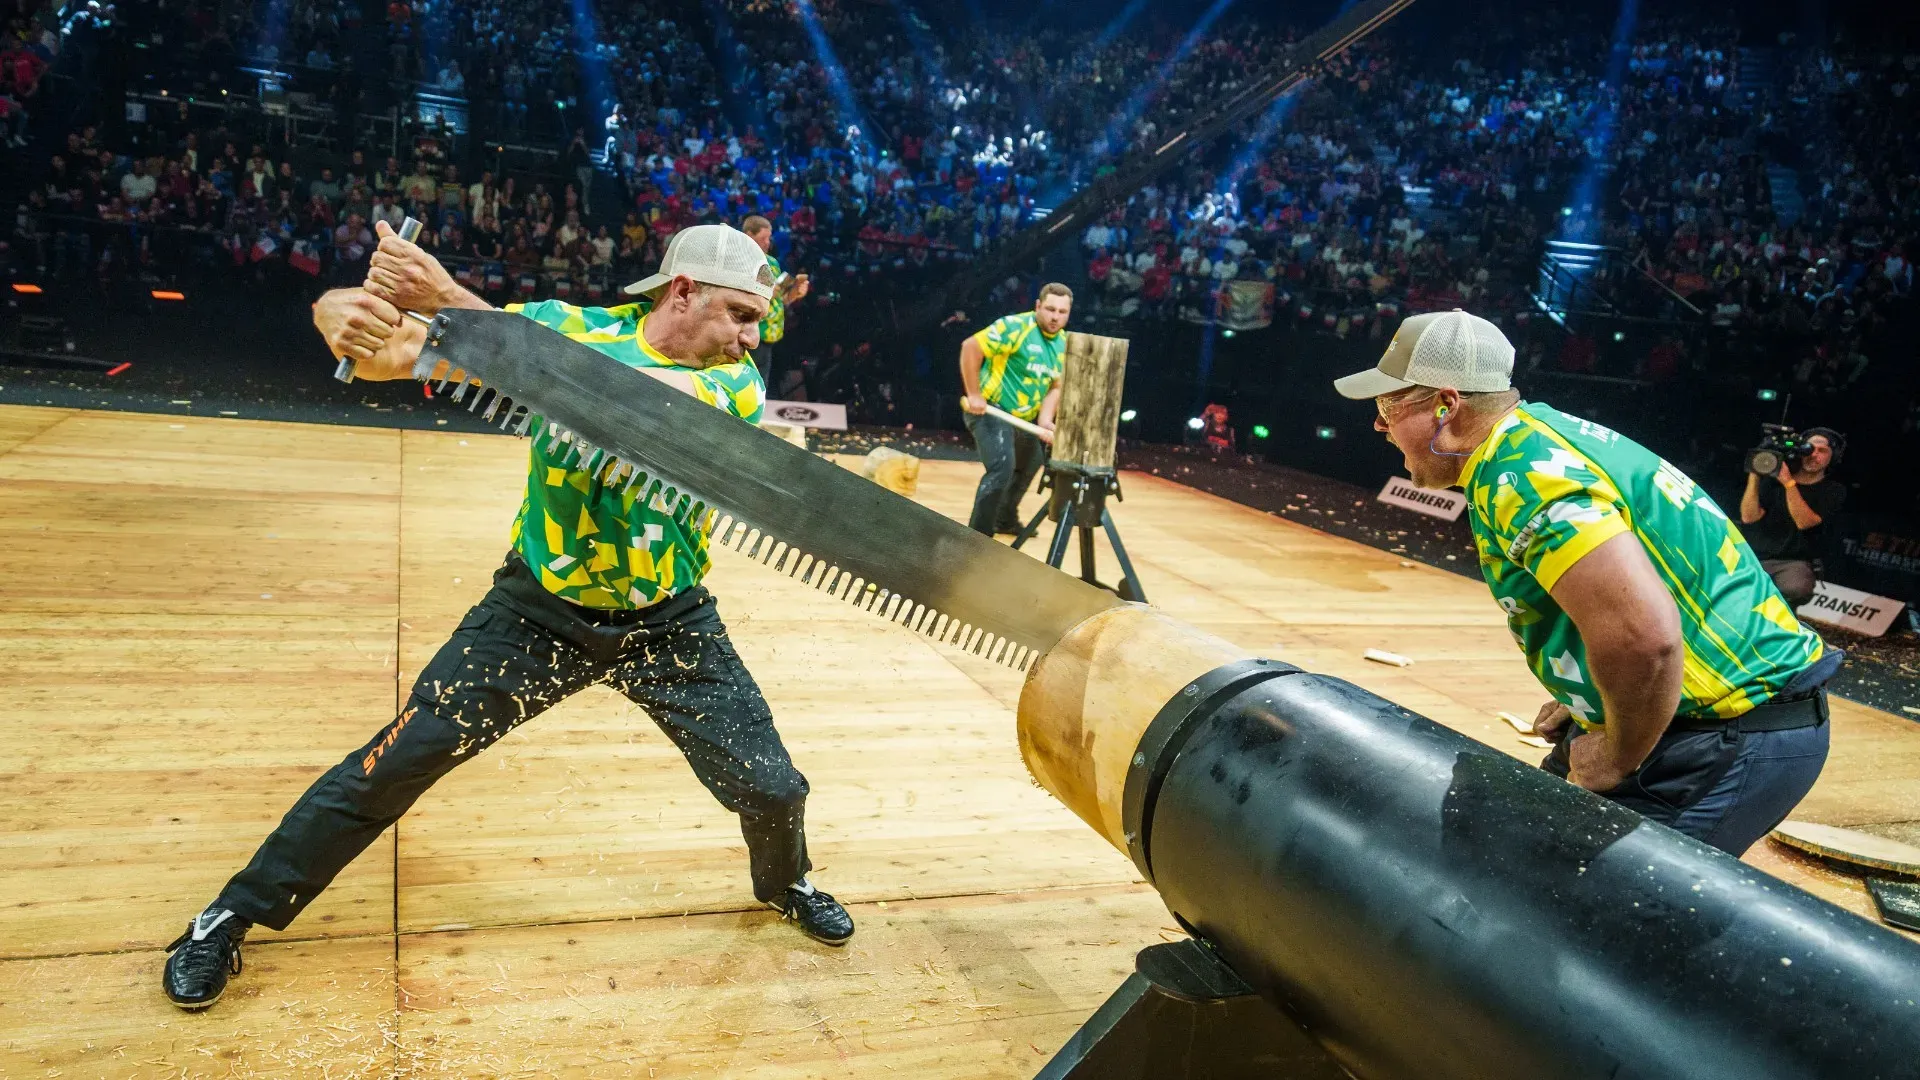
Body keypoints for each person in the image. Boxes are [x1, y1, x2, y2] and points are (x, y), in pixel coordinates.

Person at [162, 223, 852, 1011]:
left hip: (669, 620)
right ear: (683, 290)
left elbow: (610, 402)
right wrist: (340, 314)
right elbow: (396, 350)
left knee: (772, 786)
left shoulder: (734, 385)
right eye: (738, 313)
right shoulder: (561, 327)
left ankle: (786, 882)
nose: (750, 336)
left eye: (755, 319)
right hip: (538, 611)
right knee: (393, 763)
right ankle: (227, 916)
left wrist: (452, 299)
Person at [1334, 309, 1837, 857]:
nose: (1379, 426)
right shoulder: (1538, 437)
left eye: (1389, 406)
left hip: (1728, 731)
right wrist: (1593, 699)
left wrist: (1621, 752)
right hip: (1693, 716)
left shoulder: (1525, 477)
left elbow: (1644, 637)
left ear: (1445, 405)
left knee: (1589, 919)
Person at [958, 284, 1070, 536]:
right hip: (991, 411)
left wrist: (1044, 420)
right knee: (1003, 467)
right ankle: (978, 536)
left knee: (1032, 461)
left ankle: (1004, 519)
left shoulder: (1064, 344)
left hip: (1023, 419)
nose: (1055, 317)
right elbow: (970, 347)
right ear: (1038, 306)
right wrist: (974, 394)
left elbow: (1056, 385)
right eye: (1051, 309)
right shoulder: (1014, 327)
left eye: (1062, 312)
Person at [1739, 430, 1845, 607]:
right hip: (1755, 557)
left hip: (1793, 562)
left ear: (1832, 457)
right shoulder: (1773, 482)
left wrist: (1789, 483)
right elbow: (1748, 517)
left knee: (1795, 587)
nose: (1814, 455)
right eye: (1809, 449)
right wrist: (1755, 475)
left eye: (1822, 451)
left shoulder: (1833, 490)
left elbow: (1805, 522)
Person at [740, 215, 807, 391]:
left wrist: (796, 293)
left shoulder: (772, 262)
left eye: (769, 238)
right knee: (746, 383)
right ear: (749, 236)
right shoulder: (739, 261)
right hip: (750, 331)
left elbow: (781, 299)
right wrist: (766, 293)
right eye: (763, 238)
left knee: (763, 385)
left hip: (771, 333)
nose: (767, 243)